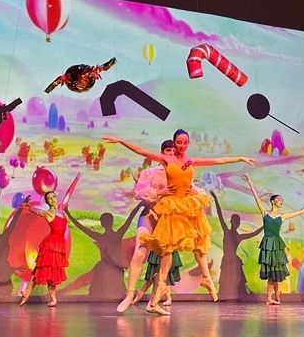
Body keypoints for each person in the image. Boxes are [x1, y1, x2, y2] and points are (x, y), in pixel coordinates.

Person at [103, 129, 256, 314]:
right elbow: (141, 159)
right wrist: (120, 139)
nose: (177, 148)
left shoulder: (189, 163)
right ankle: (130, 295)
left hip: (171, 217)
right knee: (140, 253)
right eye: (173, 146)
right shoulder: (154, 170)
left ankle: (157, 300)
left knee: (174, 254)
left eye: (183, 143)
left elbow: (215, 162)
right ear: (166, 150)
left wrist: (239, 158)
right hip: (153, 215)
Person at [116, 140, 182, 312]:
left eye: (174, 151)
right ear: (161, 153)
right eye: (168, 150)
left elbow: (189, 191)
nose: (170, 154)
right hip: (149, 216)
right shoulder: (150, 172)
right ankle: (130, 295)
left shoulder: (179, 174)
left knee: (163, 263)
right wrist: (160, 192)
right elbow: (140, 193)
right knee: (140, 253)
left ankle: (154, 303)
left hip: (167, 221)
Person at [241, 173, 304, 305]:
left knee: (276, 271)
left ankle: (276, 294)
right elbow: (256, 198)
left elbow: (300, 211)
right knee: (272, 272)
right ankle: (269, 298)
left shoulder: (282, 216)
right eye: (278, 199)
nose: (280, 200)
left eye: (281, 199)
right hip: (268, 244)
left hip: (276, 245)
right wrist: (250, 181)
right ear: (272, 201)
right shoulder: (265, 213)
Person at [19, 180, 80, 307]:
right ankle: (27, 292)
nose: (52, 199)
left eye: (53, 197)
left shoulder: (62, 210)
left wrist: (76, 180)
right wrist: (28, 206)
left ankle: (53, 299)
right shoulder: (49, 214)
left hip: (58, 245)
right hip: (50, 245)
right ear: (47, 202)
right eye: (49, 198)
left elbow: (69, 194)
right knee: (41, 271)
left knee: (53, 273)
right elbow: (36, 211)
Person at [210, 190, 263, 300]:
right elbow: (219, 214)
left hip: (233, 259)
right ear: (233, 222)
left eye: (237, 221)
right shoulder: (227, 231)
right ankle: (225, 296)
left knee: (238, 279)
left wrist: (264, 226)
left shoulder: (237, 235)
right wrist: (215, 199)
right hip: (229, 259)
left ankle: (240, 296)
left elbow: (254, 233)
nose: (237, 223)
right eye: (236, 221)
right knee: (228, 279)